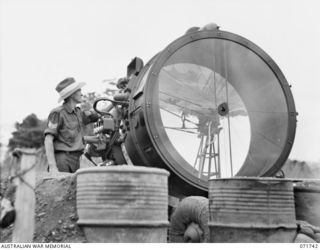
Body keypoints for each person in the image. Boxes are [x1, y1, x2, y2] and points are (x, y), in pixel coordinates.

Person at [44, 77, 99, 173]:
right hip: (62, 160)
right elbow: (48, 140)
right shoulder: (57, 113)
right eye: (79, 91)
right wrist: (53, 167)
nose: (82, 94)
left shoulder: (79, 113)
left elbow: (97, 114)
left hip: (76, 160)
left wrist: (114, 104)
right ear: (72, 94)